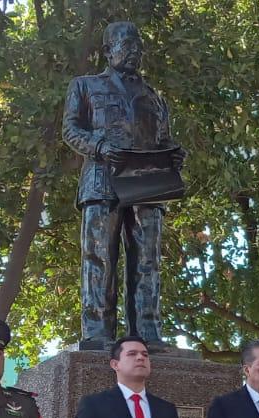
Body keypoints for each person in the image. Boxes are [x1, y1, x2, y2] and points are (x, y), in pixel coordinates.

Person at [62, 21, 185, 349]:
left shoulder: (154, 97)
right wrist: (99, 146)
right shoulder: (85, 86)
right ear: (108, 51)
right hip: (102, 183)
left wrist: (174, 154)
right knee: (99, 256)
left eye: (138, 47)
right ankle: (97, 331)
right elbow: (71, 130)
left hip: (148, 185)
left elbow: (164, 139)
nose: (135, 52)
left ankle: (147, 331)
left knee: (148, 260)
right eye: (127, 46)